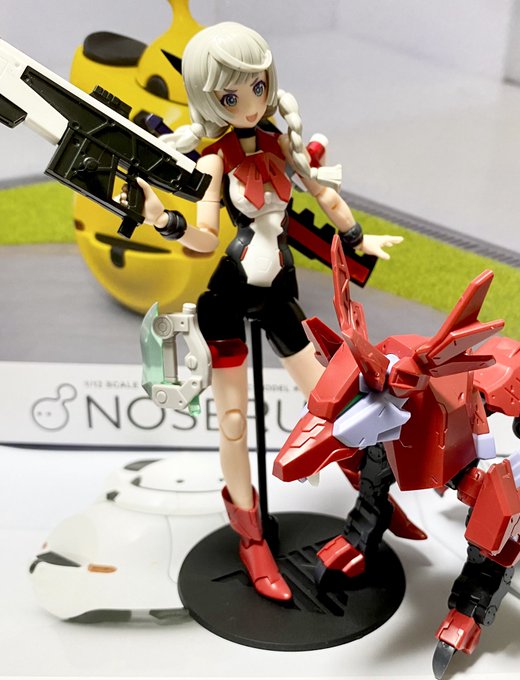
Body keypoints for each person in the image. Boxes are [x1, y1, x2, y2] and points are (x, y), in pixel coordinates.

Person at [124, 22, 402, 601]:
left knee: (332, 400)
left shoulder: (281, 144)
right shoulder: (215, 159)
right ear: (209, 100)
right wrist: (162, 221)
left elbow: (324, 195)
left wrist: (358, 240)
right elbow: (204, 237)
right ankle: (251, 538)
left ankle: (372, 496)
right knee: (232, 424)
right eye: (231, 96)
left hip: (278, 291)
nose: (250, 104)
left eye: (257, 87)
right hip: (228, 296)